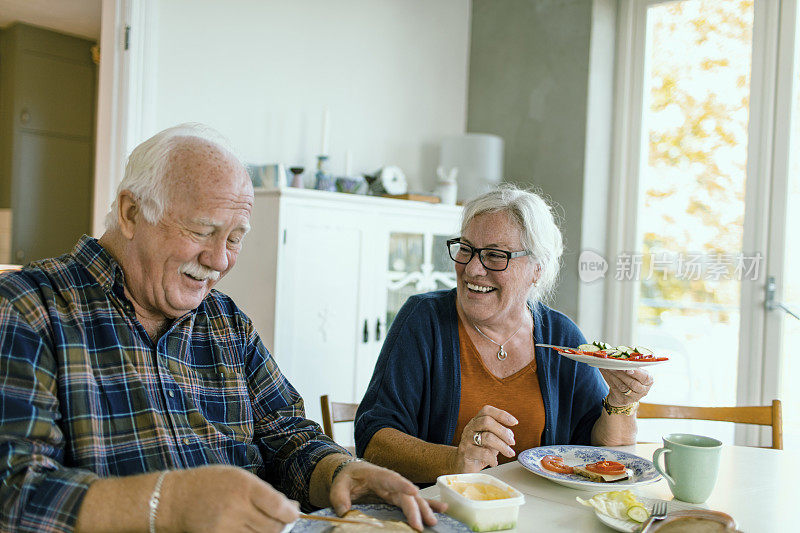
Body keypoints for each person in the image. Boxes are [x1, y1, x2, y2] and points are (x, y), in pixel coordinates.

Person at [0, 124, 443, 532]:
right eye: (201, 231)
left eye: (234, 239)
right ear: (131, 213)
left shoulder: (225, 321)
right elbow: (15, 494)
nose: (219, 260)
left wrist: (342, 471)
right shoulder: (28, 309)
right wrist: (170, 505)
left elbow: (287, 436)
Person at [354, 185, 654, 483]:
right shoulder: (423, 320)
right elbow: (374, 437)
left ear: (537, 268)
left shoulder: (562, 337)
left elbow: (603, 454)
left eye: (495, 255)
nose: (472, 269)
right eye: (467, 249)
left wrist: (619, 400)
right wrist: (456, 460)